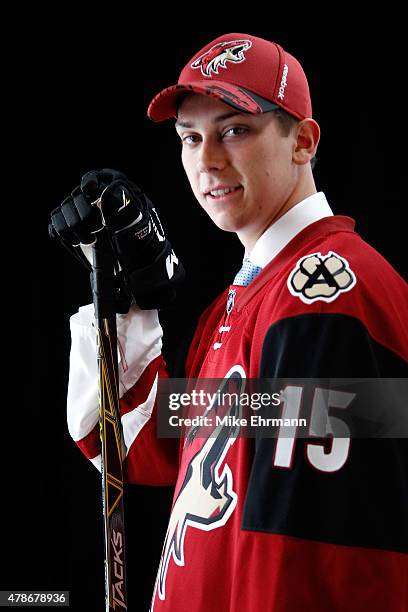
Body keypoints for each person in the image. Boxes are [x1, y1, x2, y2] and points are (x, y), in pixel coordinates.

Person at [51, 33, 408, 611]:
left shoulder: (324, 293)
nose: (206, 160)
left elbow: (310, 553)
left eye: (235, 129)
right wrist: (127, 300)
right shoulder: (244, 296)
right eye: (190, 138)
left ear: (303, 141)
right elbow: (133, 446)